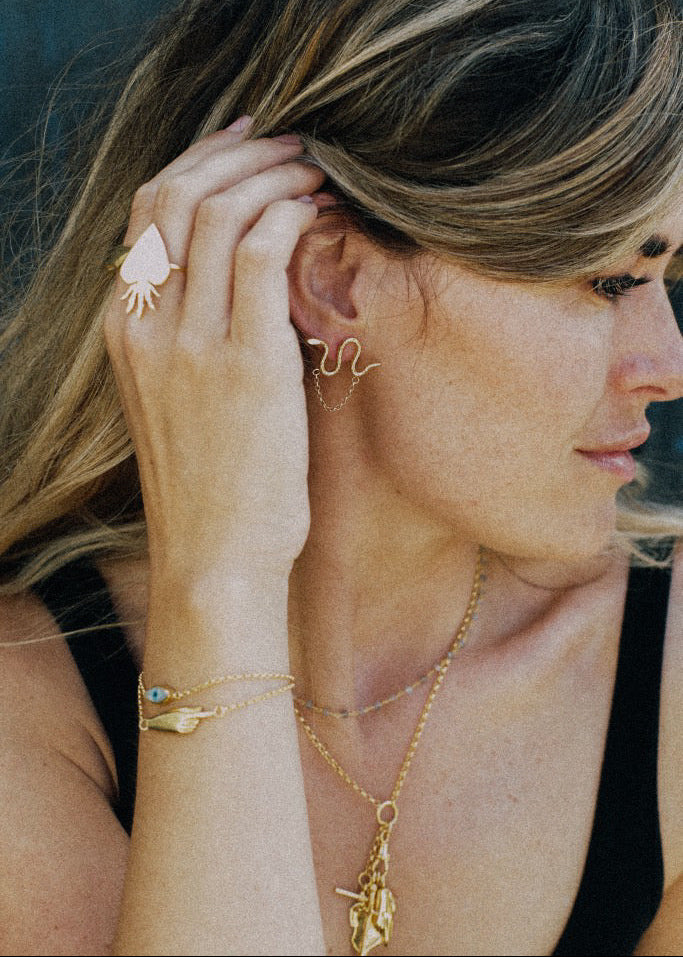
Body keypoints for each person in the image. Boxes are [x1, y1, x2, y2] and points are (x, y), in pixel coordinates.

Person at [0, 0, 681, 954]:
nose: (666, 363)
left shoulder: (667, 688)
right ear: (329, 279)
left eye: (666, 279)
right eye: (607, 280)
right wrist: (222, 583)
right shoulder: (28, 704)